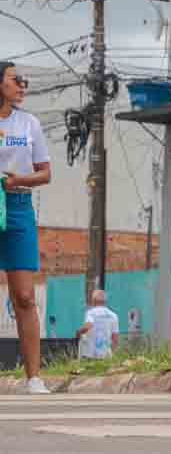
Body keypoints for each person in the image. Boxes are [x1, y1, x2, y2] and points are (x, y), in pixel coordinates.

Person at [0, 62, 52, 394]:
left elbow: (45, 173)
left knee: (24, 295)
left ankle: (33, 377)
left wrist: (19, 179)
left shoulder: (29, 123)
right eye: (15, 79)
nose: (22, 84)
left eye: (24, 80)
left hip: (18, 205)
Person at [76, 290, 119, 359]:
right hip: (106, 354)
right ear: (105, 301)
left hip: (91, 354)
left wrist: (79, 332)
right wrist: (112, 353)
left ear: (93, 301)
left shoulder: (91, 313)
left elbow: (88, 325)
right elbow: (115, 337)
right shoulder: (113, 315)